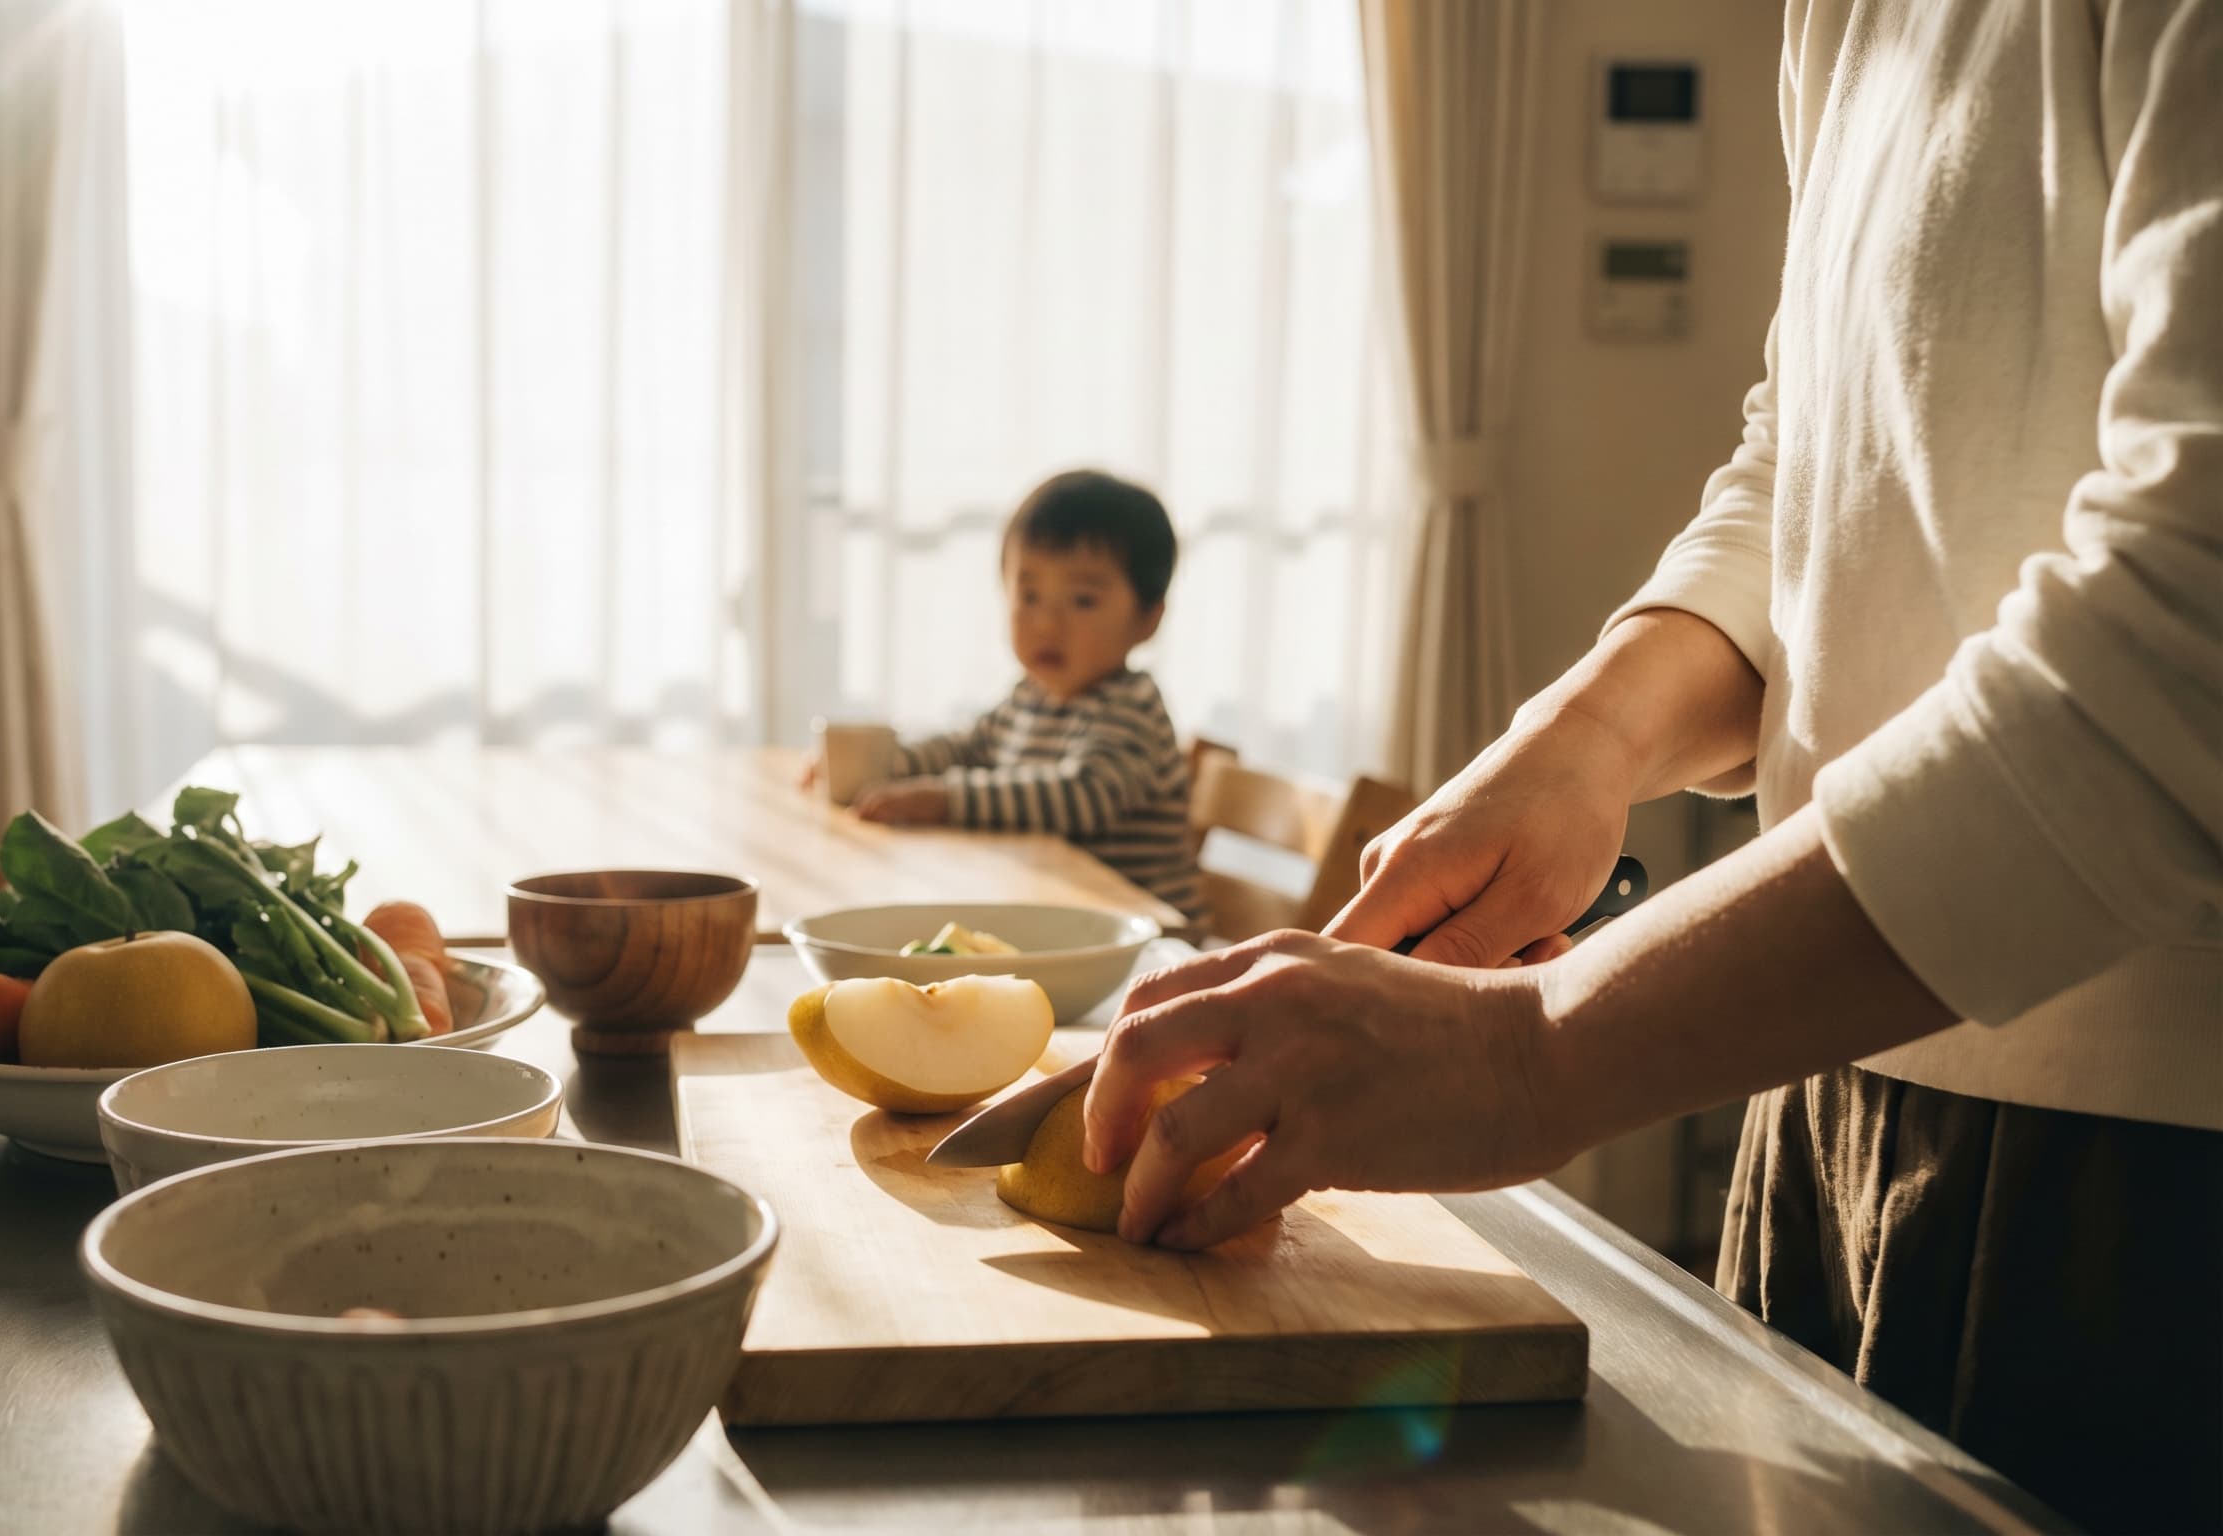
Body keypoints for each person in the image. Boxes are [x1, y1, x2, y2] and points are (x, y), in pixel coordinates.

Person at [1080, 5, 2220, 1530]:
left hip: (2147, 1197)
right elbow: (1809, 458)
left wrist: (1532, 1049)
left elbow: (2191, 641)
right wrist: (1594, 735)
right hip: (1825, 1081)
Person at [841, 470, 1208, 930]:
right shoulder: (1029, 698)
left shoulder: (1131, 707)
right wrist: (880, 767)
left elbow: (1080, 795)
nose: (1046, 623)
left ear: (1148, 620)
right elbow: (968, 747)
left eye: (1082, 600)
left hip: (1144, 939)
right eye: (1028, 595)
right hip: (1062, 919)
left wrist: (946, 799)